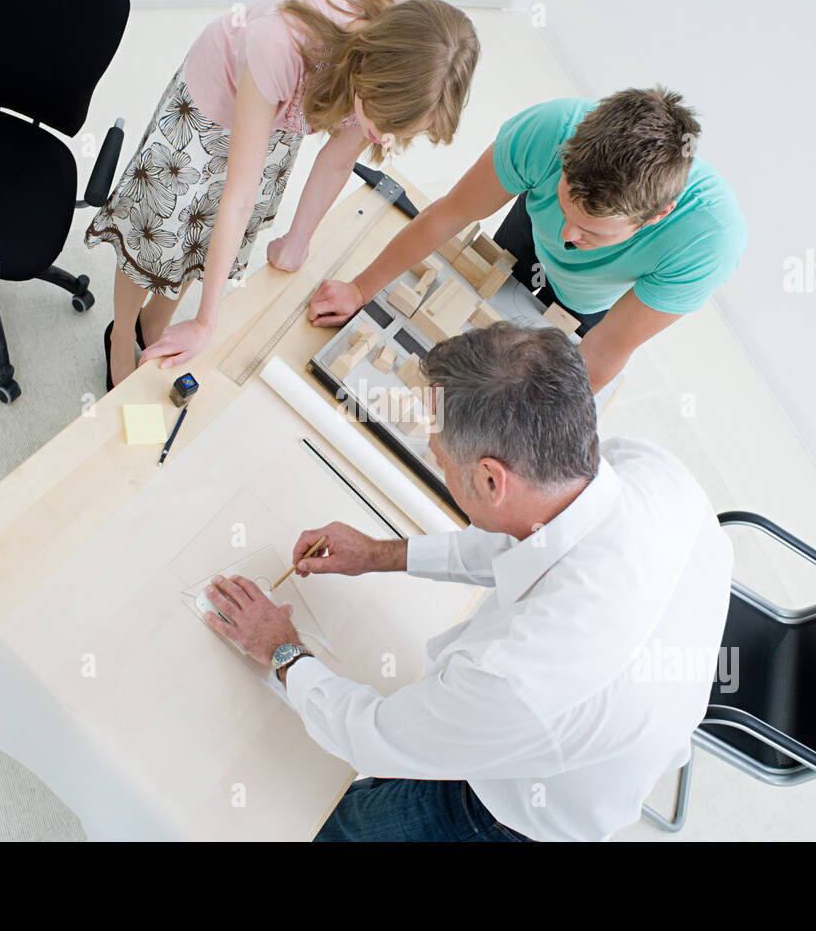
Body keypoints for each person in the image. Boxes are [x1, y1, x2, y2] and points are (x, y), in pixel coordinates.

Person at [199, 323, 733, 841]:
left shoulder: (516, 681)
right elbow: (529, 536)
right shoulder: (648, 469)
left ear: (490, 479)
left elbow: (373, 736)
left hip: (509, 814)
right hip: (623, 717)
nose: (435, 454)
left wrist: (280, 648)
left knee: (341, 827)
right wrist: (379, 554)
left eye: (438, 453)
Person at [85, 0, 479, 389]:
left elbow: (339, 157)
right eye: (382, 123)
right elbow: (237, 200)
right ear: (368, 74)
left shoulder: (419, 48)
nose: (384, 138)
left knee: (201, 232)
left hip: (282, 114)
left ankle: (153, 323)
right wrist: (206, 321)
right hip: (217, 98)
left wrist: (299, 238)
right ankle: (119, 337)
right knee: (159, 230)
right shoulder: (281, 43)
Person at [308, 88, 748, 392]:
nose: (566, 236)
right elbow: (449, 214)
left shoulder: (709, 239)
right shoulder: (547, 130)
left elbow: (607, 347)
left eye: (590, 231)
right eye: (567, 206)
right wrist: (360, 288)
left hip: (595, 299)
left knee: (540, 364)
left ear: (657, 216)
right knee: (491, 304)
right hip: (526, 231)